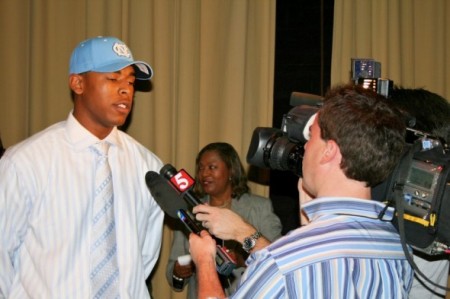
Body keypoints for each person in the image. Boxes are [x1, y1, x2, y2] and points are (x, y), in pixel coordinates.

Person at [189, 84, 414, 298]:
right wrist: (310, 225)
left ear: (328, 152)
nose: (304, 146)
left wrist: (205, 260)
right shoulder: (400, 247)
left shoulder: (285, 260)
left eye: (311, 137)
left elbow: (293, 263)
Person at [0, 36, 164, 298]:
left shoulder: (148, 166)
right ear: (77, 83)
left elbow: (143, 256)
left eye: (131, 82)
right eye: (113, 79)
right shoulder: (25, 162)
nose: (126, 90)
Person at [165, 142, 282, 298]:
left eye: (212, 167)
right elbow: (173, 275)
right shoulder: (189, 211)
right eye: (201, 168)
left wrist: (243, 259)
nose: (204, 174)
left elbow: (278, 257)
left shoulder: (259, 207)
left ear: (231, 171)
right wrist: (179, 272)